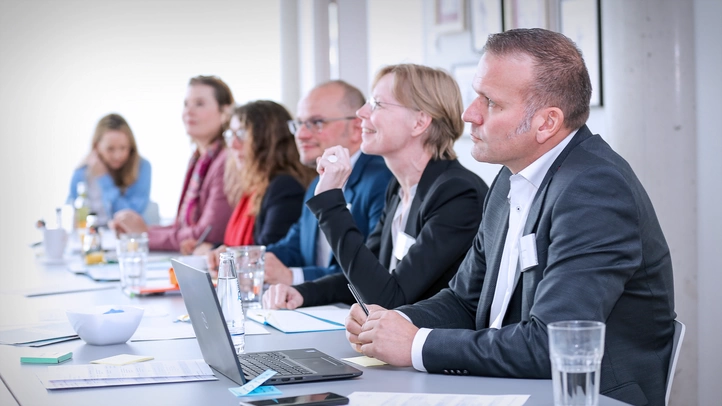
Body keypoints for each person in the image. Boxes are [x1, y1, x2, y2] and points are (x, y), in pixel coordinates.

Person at [345, 29, 675, 406]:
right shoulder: (509, 178)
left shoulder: (595, 190)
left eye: (491, 103)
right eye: (476, 95)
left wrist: (416, 343)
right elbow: (464, 301)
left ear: (546, 123)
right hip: (509, 386)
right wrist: (393, 322)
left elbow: (551, 342)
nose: (469, 113)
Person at [263, 64, 488, 310]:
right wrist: (302, 293)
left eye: (377, 104)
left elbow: (389, 297)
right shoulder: (399, 188)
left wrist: (330, 203)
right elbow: (365, 275)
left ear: (419, 122)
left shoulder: (456, 193)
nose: (360, 112)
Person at [207, 81, 393, 281]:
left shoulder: (381, 181)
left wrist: (293, 276)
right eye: (299, 124)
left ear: (357, 128)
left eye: (317, 123)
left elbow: (372, 272)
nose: (301, 134)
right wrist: (240, 258)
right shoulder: (317, 183)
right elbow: (293, 247)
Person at [111, 75, 234, 253]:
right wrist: (139, 230)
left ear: (224, 113)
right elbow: (180, 227)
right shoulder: (199, 159)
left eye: (199, 104)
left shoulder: (225, 161)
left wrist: (143, 235)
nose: (188, 112)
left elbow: (205, 235)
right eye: (186, 104)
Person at [192, 100, 316, 255]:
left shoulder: (285, 187)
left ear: (269, 140)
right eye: (231, 134)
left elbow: (270, 254)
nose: (233, 144)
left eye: (243, 134)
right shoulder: (256, 188)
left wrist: (213, 251)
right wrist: (213, 249)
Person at [67, 113, 151, 225]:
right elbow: (71, 212)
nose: (117, 155)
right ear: (97, 146)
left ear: (131, 146)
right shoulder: (82, 173)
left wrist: (104, 179)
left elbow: (130, 216)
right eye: (110, 149)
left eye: (123, 148)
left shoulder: (142, 167)